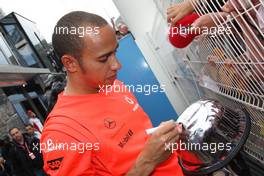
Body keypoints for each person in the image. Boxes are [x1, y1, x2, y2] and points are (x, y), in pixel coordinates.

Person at [41, 11, 183, 176]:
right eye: (103, 59)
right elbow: (147, 159)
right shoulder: (62, 133)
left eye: (115, 52)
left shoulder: (115, 86)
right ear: (70, 63)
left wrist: (166, 139)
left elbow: (138, 143)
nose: (117, 65)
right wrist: (147, 162)